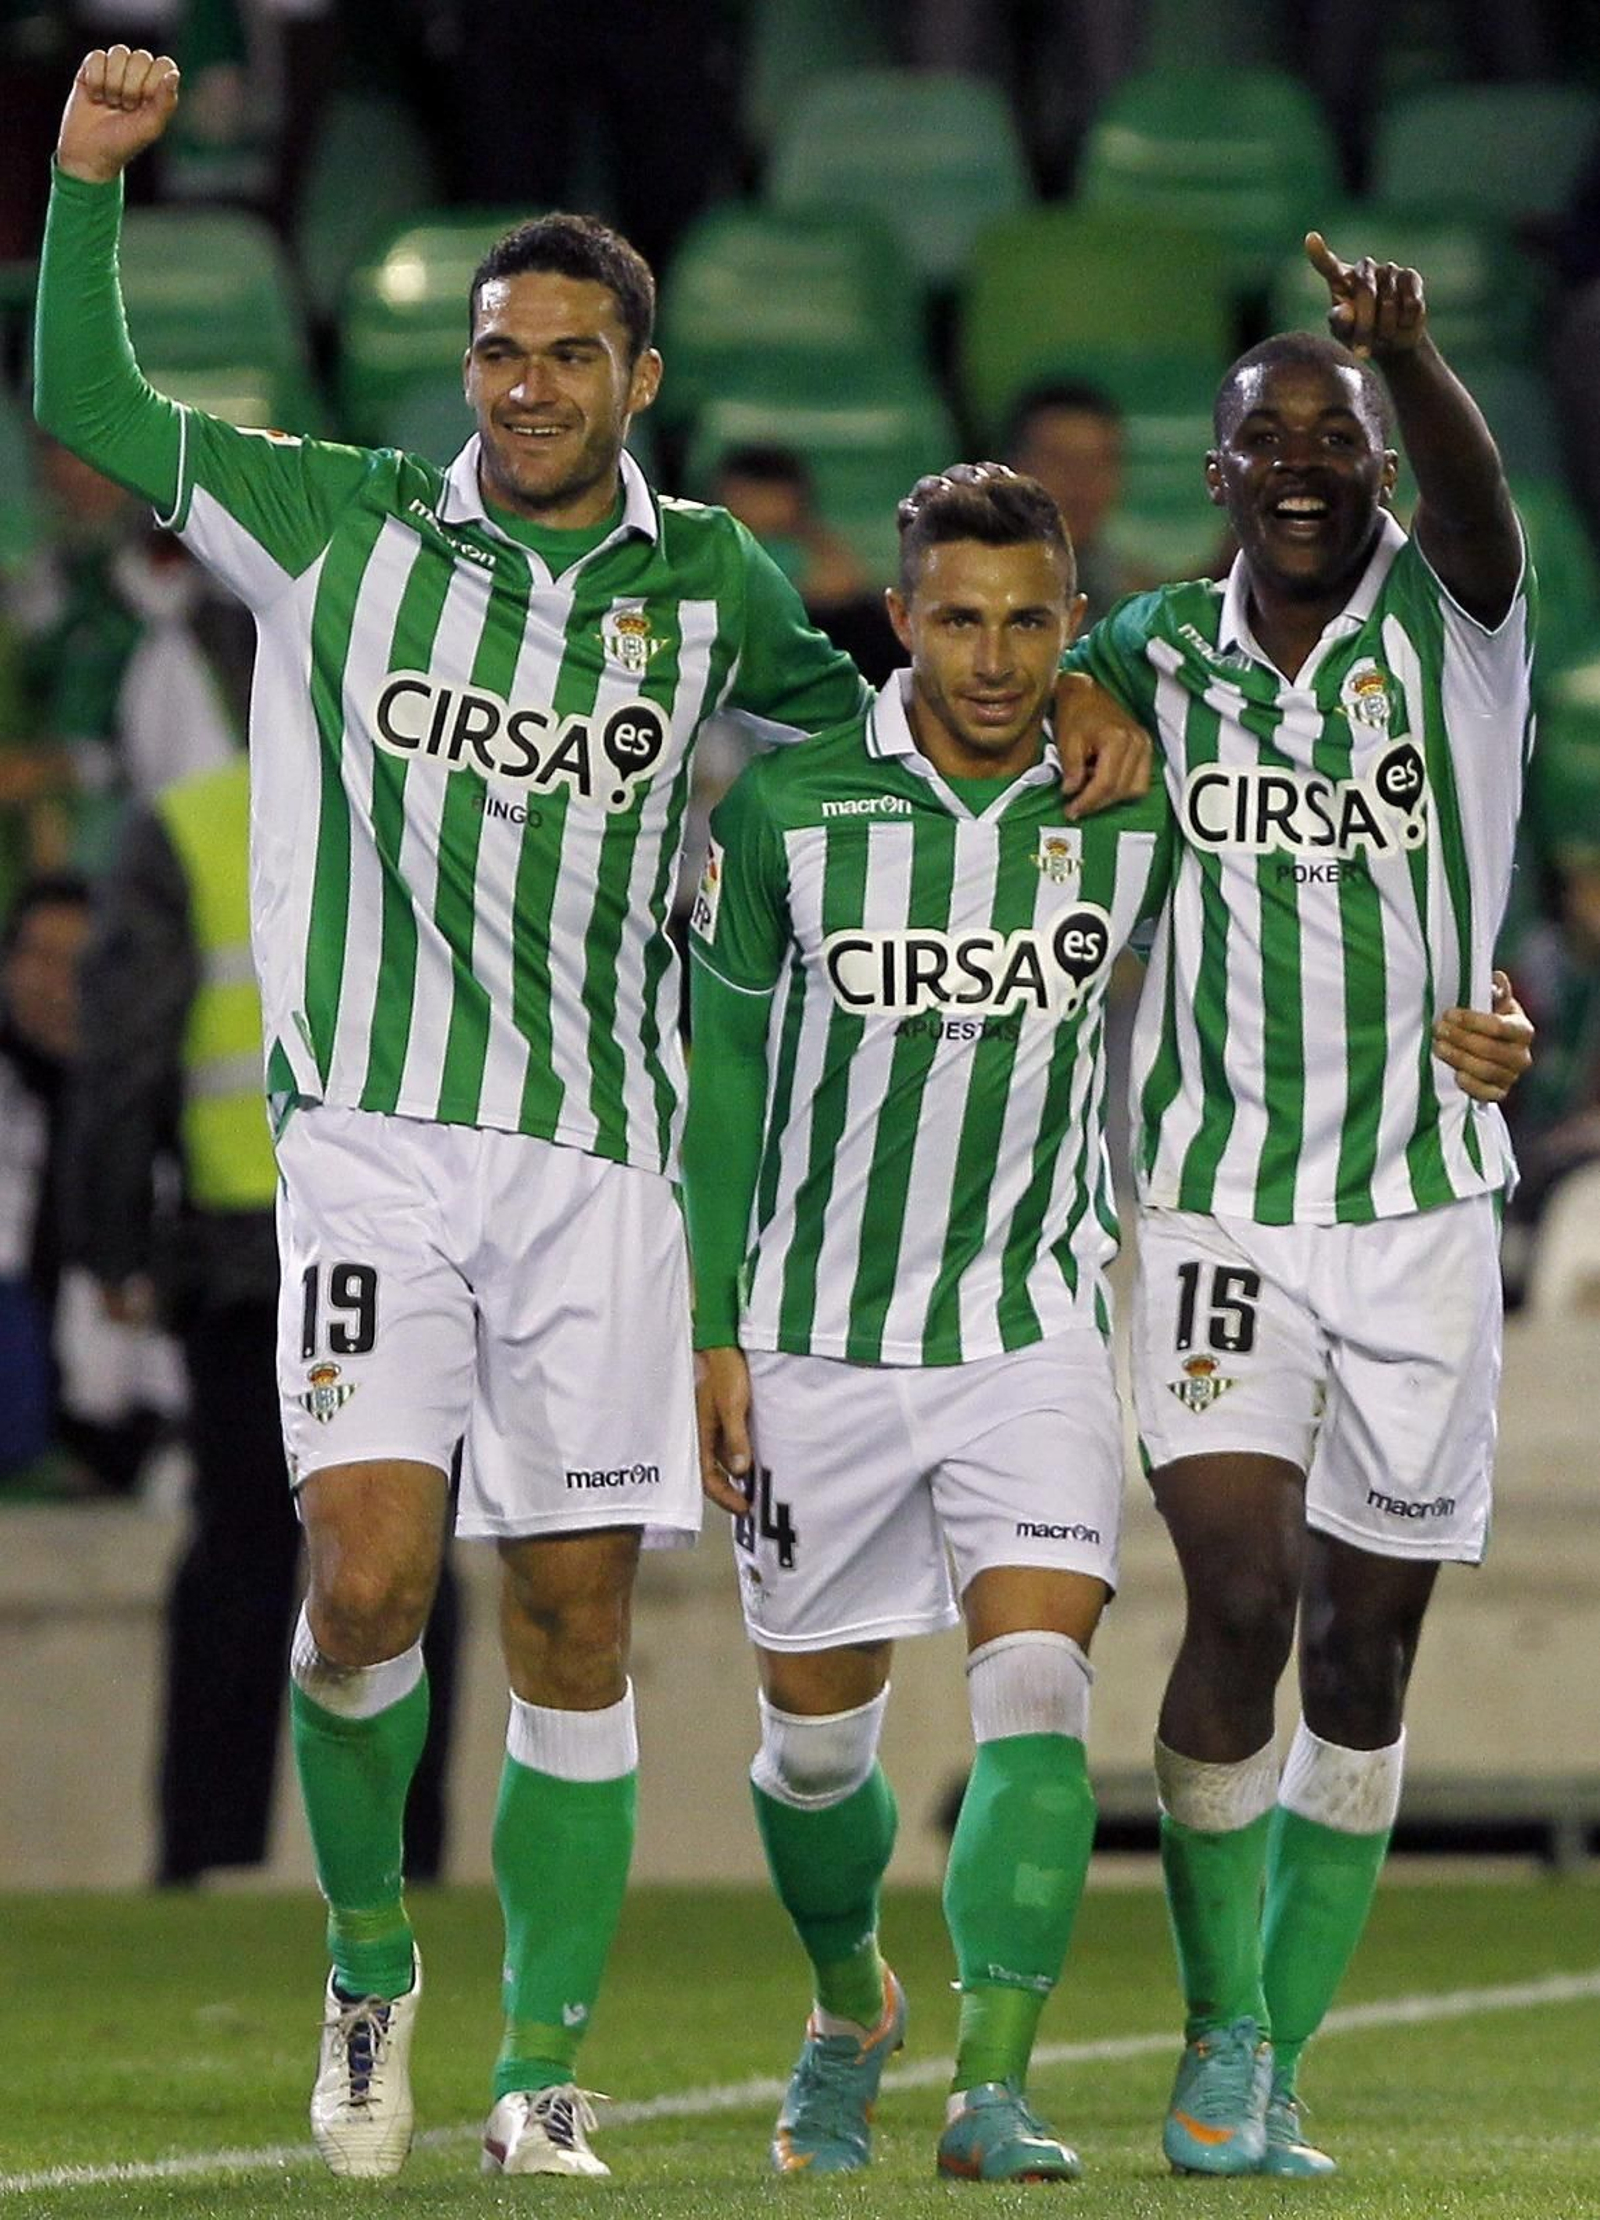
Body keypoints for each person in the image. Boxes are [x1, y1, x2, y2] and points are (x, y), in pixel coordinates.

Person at [37, 43, 1148, 2186]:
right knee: (360, 1579)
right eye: (495, 351)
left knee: (562, 1609)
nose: (522, 384)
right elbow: (91, 409)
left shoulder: (712, 589)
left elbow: (895, 714)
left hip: (604, 1167)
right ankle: (372, 1967)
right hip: (370, 1142)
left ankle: (541, 2071)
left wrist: (1072, 685)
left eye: (565, 354)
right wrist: (89, 182)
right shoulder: (340, 522)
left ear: (636, 373)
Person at [1063, 232, 1537, 2177]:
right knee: (1240, 1593)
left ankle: (1278, 2064)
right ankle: (1214, 2028)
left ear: (1371, 464)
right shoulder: (1143, 656)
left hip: (1419, 1213)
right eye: (1261, 437)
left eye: (1330, 436)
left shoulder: (1456, 632)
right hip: (1208, 1212)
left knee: (1360, 1659)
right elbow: (1026, 713)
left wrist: (1405, 359)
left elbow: (1484, 504)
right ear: (1212, 474)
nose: (1297, 462)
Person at [687, 462, 1173, 2183]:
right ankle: (849, 2011)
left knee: (1039, 1679)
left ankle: (995, 2085)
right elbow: (725, 1079)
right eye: (958, 619)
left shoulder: (1135, 804)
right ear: (898, 619)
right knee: (814, 1751)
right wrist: (713, 1328)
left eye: (1033, 621)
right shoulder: (787, 810)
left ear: (1074, 621)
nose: (994, 656)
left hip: (1030, 1321)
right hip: (815, 1335)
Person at [60, 755, 461, 1888]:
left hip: (250, 1251)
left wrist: (112, 1239)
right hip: (407, 1247)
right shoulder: (430, 804)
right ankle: (401, 1863)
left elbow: (125, 1050)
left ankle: (205, 1856)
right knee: (409, 1560)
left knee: (241, 1550)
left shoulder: (189, 825)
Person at [1002, 380, 1149, 627]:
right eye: (1060, 462)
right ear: (1013, 469)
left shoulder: (1138, 599)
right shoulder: (967, 590)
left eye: (1098, 464)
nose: (1081, 485)